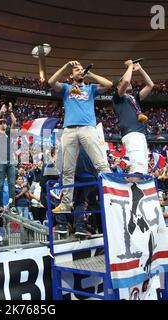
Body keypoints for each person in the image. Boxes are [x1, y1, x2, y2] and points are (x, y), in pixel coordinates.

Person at [48, 60, 112, 213]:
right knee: (68, 170)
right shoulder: (66, 88)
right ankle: (66, 204)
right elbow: (51, 81)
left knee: (101, 164)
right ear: (71, 75)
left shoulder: (91, 88)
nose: (79, 71)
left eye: (81, 69)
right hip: (69, 130)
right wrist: (65, 66)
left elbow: (109, 84)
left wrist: (90, 73)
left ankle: (113, 195)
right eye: (76, 70)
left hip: (88, 128)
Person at [112, 60, 154, 175]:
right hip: (131, 133)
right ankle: (135, 186)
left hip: (140, 133)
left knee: (142, 166)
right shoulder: (118, 98)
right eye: (123, 83)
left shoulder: (134, 98)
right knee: (138, 168)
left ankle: (138, 186)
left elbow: (150, 85)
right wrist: (130, 66)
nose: (128, 82)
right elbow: (126, 80)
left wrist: (139, 69)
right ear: (118, 87)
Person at [0, 102, 17, 210]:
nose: (3, 124)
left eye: (4, 123)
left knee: (11, 183)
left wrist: (10, 111)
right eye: (1, 123)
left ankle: (12, 205)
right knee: (0, 185)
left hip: (10, 161)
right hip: (0, 161)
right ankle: (1, 205)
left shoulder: (9, 133)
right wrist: (1, 112)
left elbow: (14, 122)